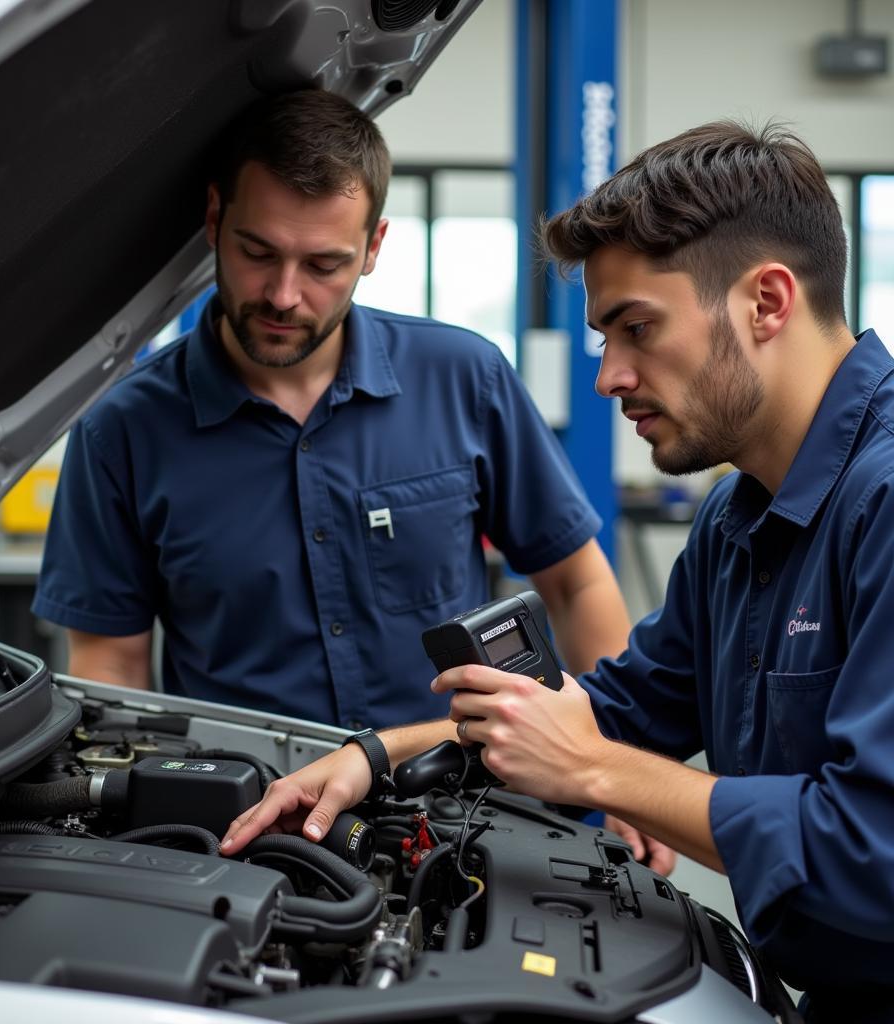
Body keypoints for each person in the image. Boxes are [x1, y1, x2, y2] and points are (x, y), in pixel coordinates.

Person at [221, 119, 894, 1022]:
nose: (609, 376)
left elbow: (871, 850)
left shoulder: (883, 504)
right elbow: (608, 711)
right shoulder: (741, 520)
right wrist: (374, 758)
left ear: (766, 302)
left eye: (636, 327)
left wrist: (599, 774)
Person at [32, 88, 630, 732]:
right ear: (213, 220)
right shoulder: (123, 429)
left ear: (372, 248)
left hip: (457, 799)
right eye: (258, 253)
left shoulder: (465, 378)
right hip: (247, 813)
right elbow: (110, 665)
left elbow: (575, 584)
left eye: (323, 264)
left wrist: (621, 758)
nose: (284, 295)